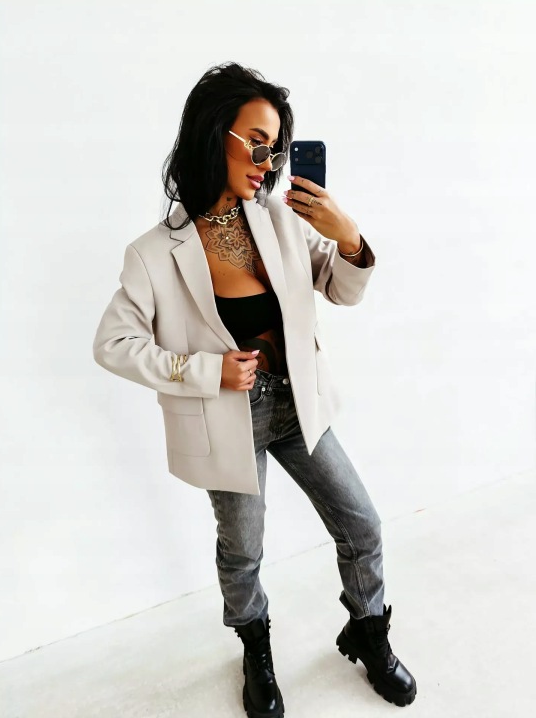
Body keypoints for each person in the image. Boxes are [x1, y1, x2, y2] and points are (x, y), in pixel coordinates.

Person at [93, 62, 417, 716]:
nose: (269, 163)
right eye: (258, 143)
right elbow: (113, 344)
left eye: (276, 147)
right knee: (243, 550)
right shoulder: (153, 253)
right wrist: (205, 371)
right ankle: (255, 649)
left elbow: (340, 289)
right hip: (227, 421)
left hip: (298, 406)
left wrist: (348, 238)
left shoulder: (280, 219)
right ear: (216, 134)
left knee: (362, 524)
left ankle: (368, 630)